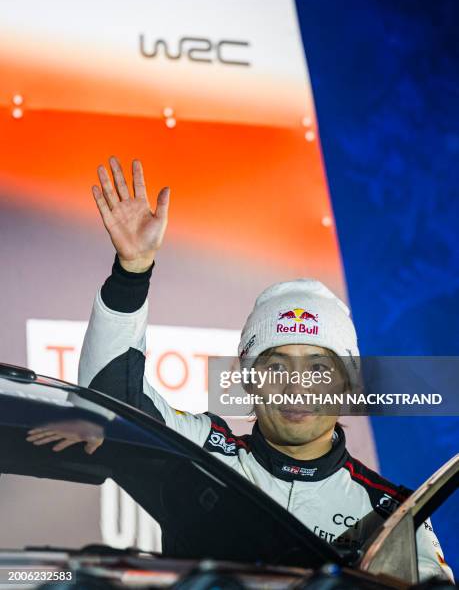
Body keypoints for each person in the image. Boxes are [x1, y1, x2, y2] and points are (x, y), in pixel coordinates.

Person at [29, 156, 452, 581]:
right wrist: (132, 273)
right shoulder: (202, 455)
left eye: (319, 368)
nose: (297, 387)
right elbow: (110, 401)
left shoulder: (393, 513)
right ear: (247, 379)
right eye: (276, 367)